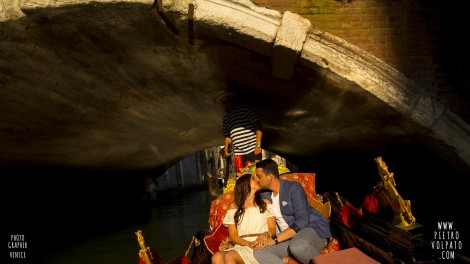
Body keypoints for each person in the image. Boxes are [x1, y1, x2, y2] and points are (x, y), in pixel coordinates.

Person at [252, 159, 332, 264]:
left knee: (298, 246)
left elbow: (302, 221)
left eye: (259, 176)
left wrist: (275, 239)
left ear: (270, 176)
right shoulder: (265, 195)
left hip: (312, 230)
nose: (257, 179)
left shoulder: (293, 188)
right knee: (259, 252)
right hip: (287, 239)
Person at [211, 173, 276, 264]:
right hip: (242, 244)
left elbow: (273, 229)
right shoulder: (234, 207)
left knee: (229, 256)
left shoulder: (265, 204)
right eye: (253, 178)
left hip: (260, 244)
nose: (257, 179)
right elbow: (233, 235)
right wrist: (248, 244)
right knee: (216, 257)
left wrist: (266, 234)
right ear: (245, 185)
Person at [215, 91, 263, 173]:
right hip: (238, 154)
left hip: (252, 150)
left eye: (228, 101)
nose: (226, 103)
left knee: (254, 175)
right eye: (224, 102)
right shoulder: (226, 118)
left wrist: (258, 145)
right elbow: (228, 137)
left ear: (233, 100)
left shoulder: (245, 110)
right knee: (242, 177)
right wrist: (226, 150)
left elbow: (258, 126)